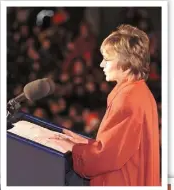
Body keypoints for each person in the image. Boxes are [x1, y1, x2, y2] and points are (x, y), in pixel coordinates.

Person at [49, 24, 160, 186]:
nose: (101, 64)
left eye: (107, 59)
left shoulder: (128, 98)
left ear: (126, 62)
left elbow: (107, 156)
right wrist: (82, 142)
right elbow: (120, 146)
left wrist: (75, 150)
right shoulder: (140, 91)